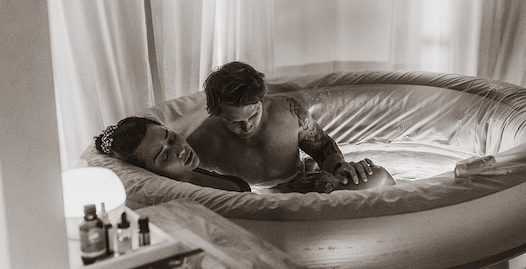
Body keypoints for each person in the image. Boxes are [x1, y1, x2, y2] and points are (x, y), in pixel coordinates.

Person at [187, 61, 394, 193]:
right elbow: (184, 183)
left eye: (253, 114)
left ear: (262, 99)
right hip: (250, 201)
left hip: (301, 182)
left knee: (378, 176)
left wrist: (340, 167)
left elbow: (321, 146)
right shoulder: (204, 139)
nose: (247, 126)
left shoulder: (288, 112)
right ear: (216, 113)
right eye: (234, 122)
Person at [94, 117, 252, 192]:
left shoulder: (189, 170)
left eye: (172, 138)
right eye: (164, 156)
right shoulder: (189, 198)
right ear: (149, 172)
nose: (180, 149)